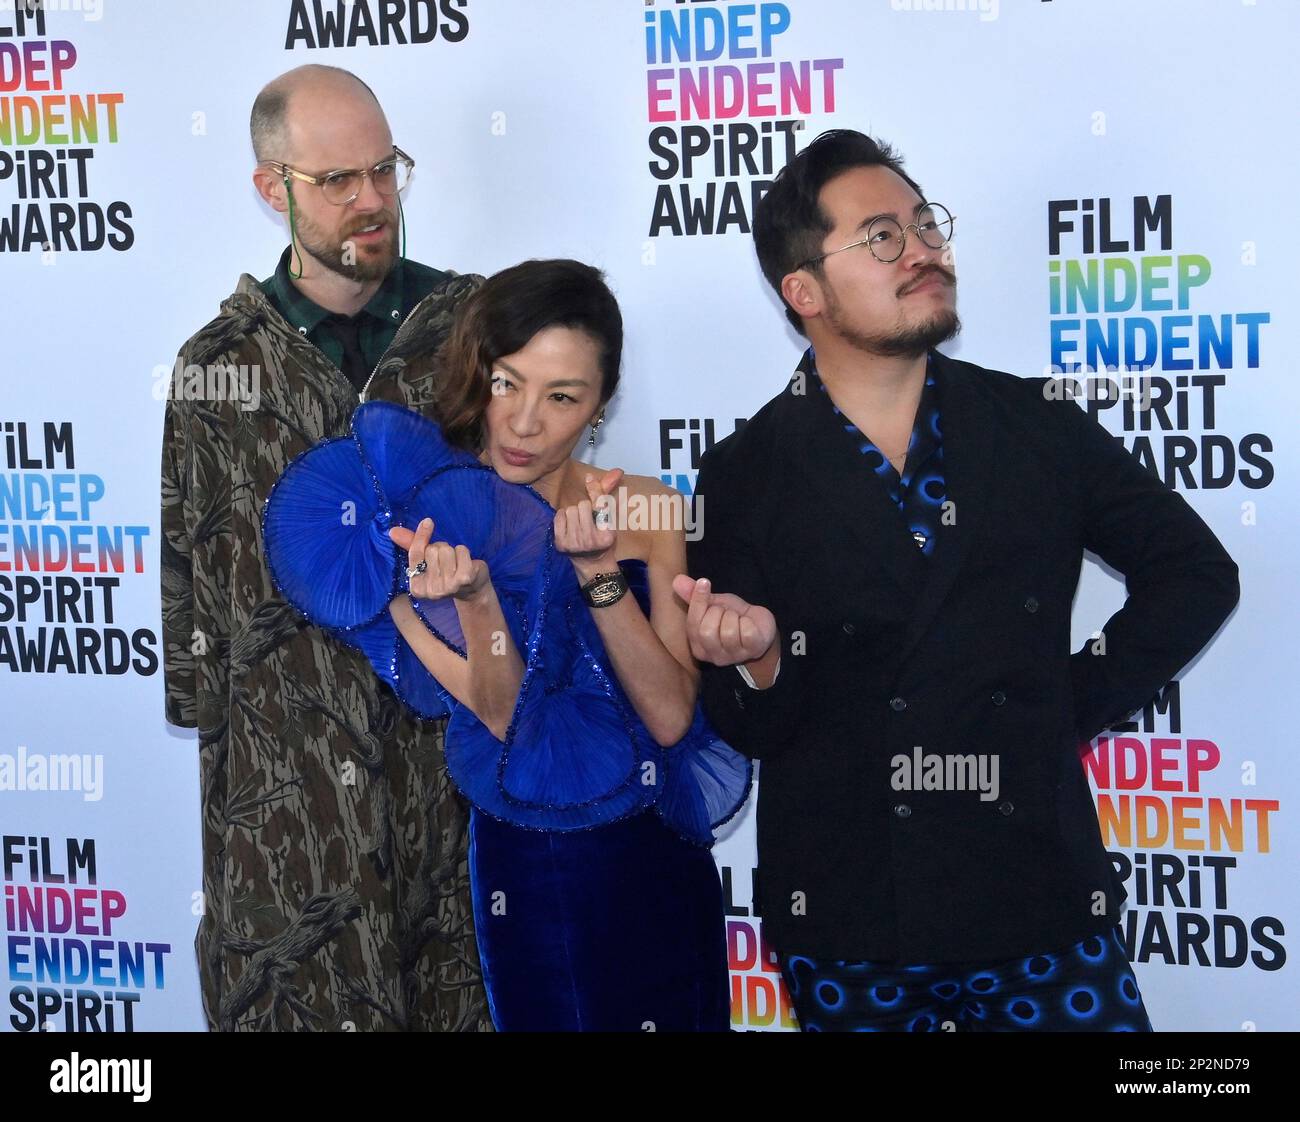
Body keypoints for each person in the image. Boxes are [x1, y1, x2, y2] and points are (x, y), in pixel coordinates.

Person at [675, 129, 1240, 1032]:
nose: (925, 250)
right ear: (803, 291)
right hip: (848, 916)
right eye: (882, 237)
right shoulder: (745, 471)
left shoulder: (1034, 425)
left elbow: (1195, 573)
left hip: (1037, 895)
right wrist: (757, 660)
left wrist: (1065, 704)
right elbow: (751, 727)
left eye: (925, 224)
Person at [262, 259, 750, 1031]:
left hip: (657, 859)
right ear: (477, 376)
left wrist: (597, 573)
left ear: (599, 406)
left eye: (563, 397)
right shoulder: (419, 525)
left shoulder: (648, 508)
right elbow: (499, 716)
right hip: (534, 866)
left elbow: (666, 716)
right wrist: (478, 598)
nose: (526, 423)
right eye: (507, 384)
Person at [159, 64, 491, 1031]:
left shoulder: (474, 332)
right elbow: (190, 576)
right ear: (276, 190)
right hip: (288, 814)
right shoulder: (217, 368)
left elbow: (527, 533)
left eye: (386, 170)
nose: (374, 200)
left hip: (453, 789)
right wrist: (229, 763)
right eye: (340, 181)